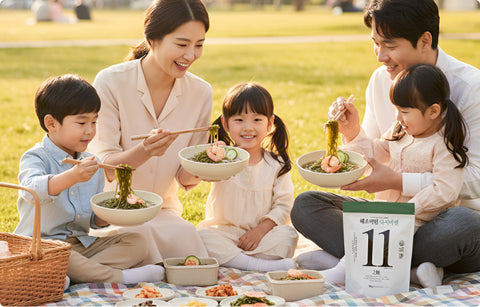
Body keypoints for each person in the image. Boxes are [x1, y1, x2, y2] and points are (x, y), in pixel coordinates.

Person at [292, 0, 480, 288]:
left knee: (465, 225)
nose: (380, 56)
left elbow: (476, 177)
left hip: (445, 221)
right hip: (388, 217)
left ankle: (353, 260)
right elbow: (374, 154)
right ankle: (411, 268)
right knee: (306, 205)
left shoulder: (471, 87)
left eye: (389, 45)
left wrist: (401, 181)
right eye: (375, 43)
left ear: (425, 40)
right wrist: (350, 131)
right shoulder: (382, 80)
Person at [89, 0, 212, 265]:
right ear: (152, 39)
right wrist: (145, 151)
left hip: (163, 211)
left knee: (188, 240)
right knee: (139, 239)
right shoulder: (110, 82)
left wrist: (211, 165)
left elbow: (185, 177)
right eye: (181, 44)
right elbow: (105, 165)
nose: (190, 55)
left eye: (199, 45)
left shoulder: (201, 92)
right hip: (112, 212)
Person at [14, 74, 165, 286]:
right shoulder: (36, 157)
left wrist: (114, 212)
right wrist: (71, 176)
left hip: (81, 244)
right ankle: (119, 277)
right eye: (81, 122)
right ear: (51, 123)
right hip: (42, 245)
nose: (90, 130)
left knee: (137, 241)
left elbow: (92, 221)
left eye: (94, 121)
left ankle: (71, 276)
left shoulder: (91, 162)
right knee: (63, 255)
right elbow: (31, 191)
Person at [197, 82, 298, 272]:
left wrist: (260, 231)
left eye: (257, 120)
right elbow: (200, 174)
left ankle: (237, 260)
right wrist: (213, 156)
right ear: (226, 123)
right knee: (203, 236)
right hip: (225, 232)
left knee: (288, 235)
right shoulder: (221, 158)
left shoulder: (276, 165)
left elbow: (284, 206)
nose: (248, 128)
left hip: (262, 236)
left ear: (270, 123)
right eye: (239, 120)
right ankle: (256, 265)